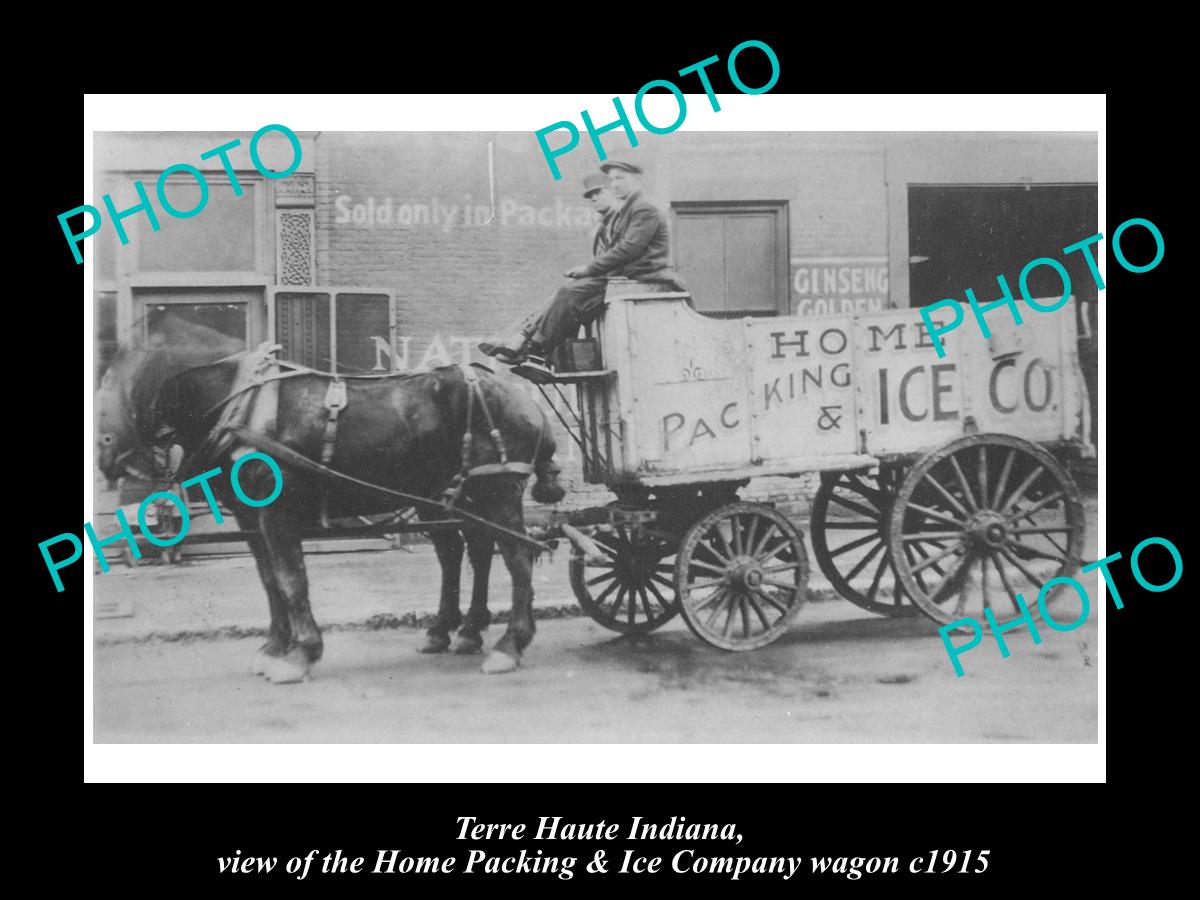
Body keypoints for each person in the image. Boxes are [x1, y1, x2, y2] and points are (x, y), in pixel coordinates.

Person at [479, 160, 686, 368]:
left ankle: (536, 350)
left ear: (636, 179)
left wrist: (588, 269)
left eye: (620, 178)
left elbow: (628, 250)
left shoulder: (643, 208)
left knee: (570, 294)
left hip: (640, 278)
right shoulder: (629, 210)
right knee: (566, 292)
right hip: (624, 276)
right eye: (612, 179)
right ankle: (526, 344)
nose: (614, 184)